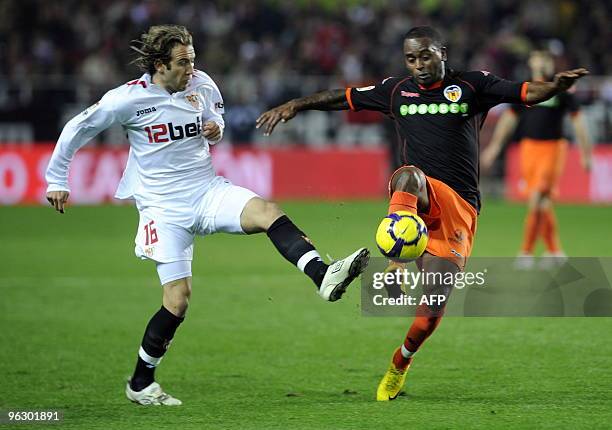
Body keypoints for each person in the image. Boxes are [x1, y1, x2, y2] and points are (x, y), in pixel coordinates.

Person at [256, 26, 588, 401]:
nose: (419, 65)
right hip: (418, 196)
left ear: (442, 52)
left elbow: (526, 92)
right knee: (410, 176)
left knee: (431, 311)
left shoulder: (473, 85)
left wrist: (556, 87)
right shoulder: (397, 90)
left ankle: (400, 363)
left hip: (460, 207)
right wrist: (297, 104)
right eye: (411, 59)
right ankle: (396, 261)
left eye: (425, 56)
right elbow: (344, 98)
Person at [45, 25, 370, 406]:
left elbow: (216, 123)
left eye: (193, 60)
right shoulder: (126, 100)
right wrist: (56, 178)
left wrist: (216, 129)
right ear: (159, 64)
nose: (191, 69)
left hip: (206, 189)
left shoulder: (202, 84)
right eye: (183, 62)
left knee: (267, 211)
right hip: (162, 208)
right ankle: (140, 383)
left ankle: (322, 275)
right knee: (177, 300)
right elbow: (78, 127)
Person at [481, 50, 592, 268]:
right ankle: (555, 251)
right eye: (537, 57)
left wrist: (586, 154)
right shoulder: (525, 91)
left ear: (550, 64)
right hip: (528, 150)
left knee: (537, 197)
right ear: (530, 62)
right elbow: (508, 121)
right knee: (542, 202)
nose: (540, 61)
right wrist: (494, 147)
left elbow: (579, 122)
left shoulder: (560, 91)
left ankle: (526, 251)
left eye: (545, 59)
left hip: (552, 149)